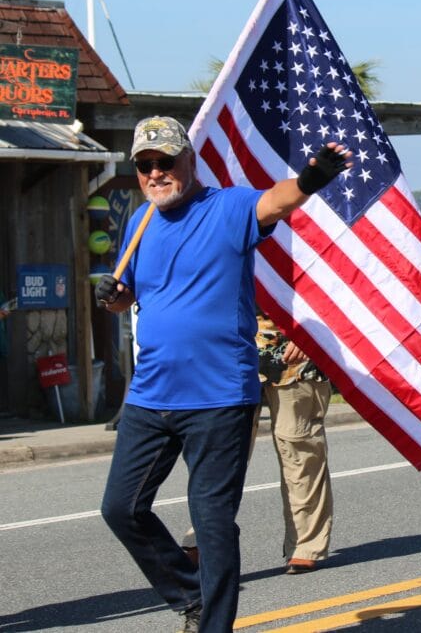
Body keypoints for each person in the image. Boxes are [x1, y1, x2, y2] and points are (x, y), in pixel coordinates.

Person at [96, 116, 348, 633]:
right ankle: (191, 596)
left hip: (218, 396)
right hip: (150, 394)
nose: (155, 172)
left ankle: (213, 625)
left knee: (210, 522)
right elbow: (132, 298)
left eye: (166, 161)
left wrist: (312, 177)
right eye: (145, 165)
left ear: (190, 161)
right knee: (121, 508)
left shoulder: (227, 208)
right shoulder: (140, 222)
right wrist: (116, 297)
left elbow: (275, 201)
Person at [256, 312, 334, 574]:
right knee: (220, 453)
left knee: (299, 448)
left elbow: (333, 281)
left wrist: (309, 331)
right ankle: (200, 541)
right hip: (228, 347)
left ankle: (305, 544)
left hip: (293, 349)